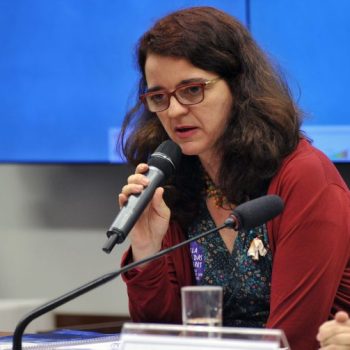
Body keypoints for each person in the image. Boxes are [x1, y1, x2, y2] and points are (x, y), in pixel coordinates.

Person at [117, 6, 350, 350]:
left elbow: (292, 338)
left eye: (193, 90)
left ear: (238, 87)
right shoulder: (177, 181)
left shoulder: (303, 177)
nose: (175, 110)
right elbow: (158, 337)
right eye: (159, 97)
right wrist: (147, 248)